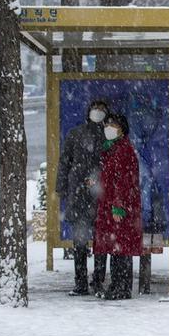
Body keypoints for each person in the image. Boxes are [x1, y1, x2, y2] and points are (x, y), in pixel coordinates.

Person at [55, 99, 109, 296]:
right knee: (80, 242)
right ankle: (81, 282)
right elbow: (64, 162)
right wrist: (61, 186)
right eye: (95, 109)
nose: (98, 112)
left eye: (102, 110)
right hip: (79, 195)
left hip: (101, 196)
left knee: (101, 241)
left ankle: (97, 281)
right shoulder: (76, 134)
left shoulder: (108, 135)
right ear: (88, 112)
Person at [93, 113, 143, 300]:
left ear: (122, 128)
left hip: (119, 206)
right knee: (116, 248)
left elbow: (124, 181)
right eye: (107, 124)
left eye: (113, 124)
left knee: (120, 248)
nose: (109, 128)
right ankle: (117, 286)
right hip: (110, 204)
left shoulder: (124, 150)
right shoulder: (113, 148)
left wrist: (119, 206)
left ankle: (122, 288)